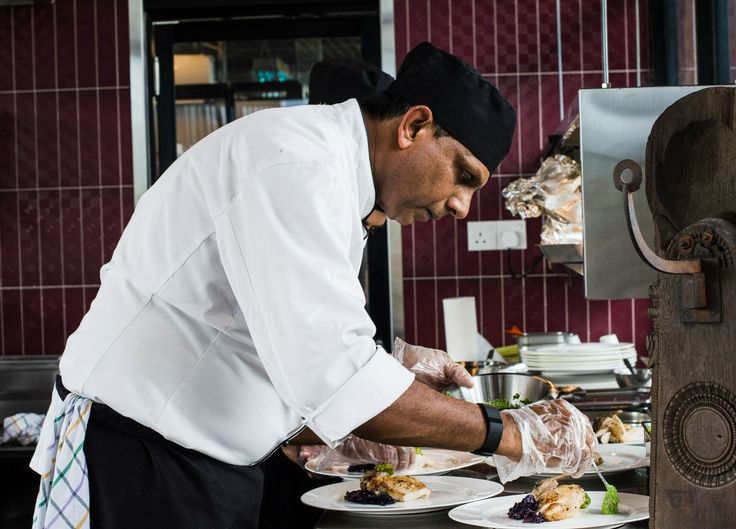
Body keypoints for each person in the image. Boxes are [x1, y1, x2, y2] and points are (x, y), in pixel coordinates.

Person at [30, 42, 595, 529]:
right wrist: (512, 432)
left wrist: (387, 373)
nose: (461, 206)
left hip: (189, 461)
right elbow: (335, 376)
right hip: (143, 458)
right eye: (463, 176)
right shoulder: (298, 166)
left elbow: (288, 340)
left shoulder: (331, 175)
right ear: (414, 126)